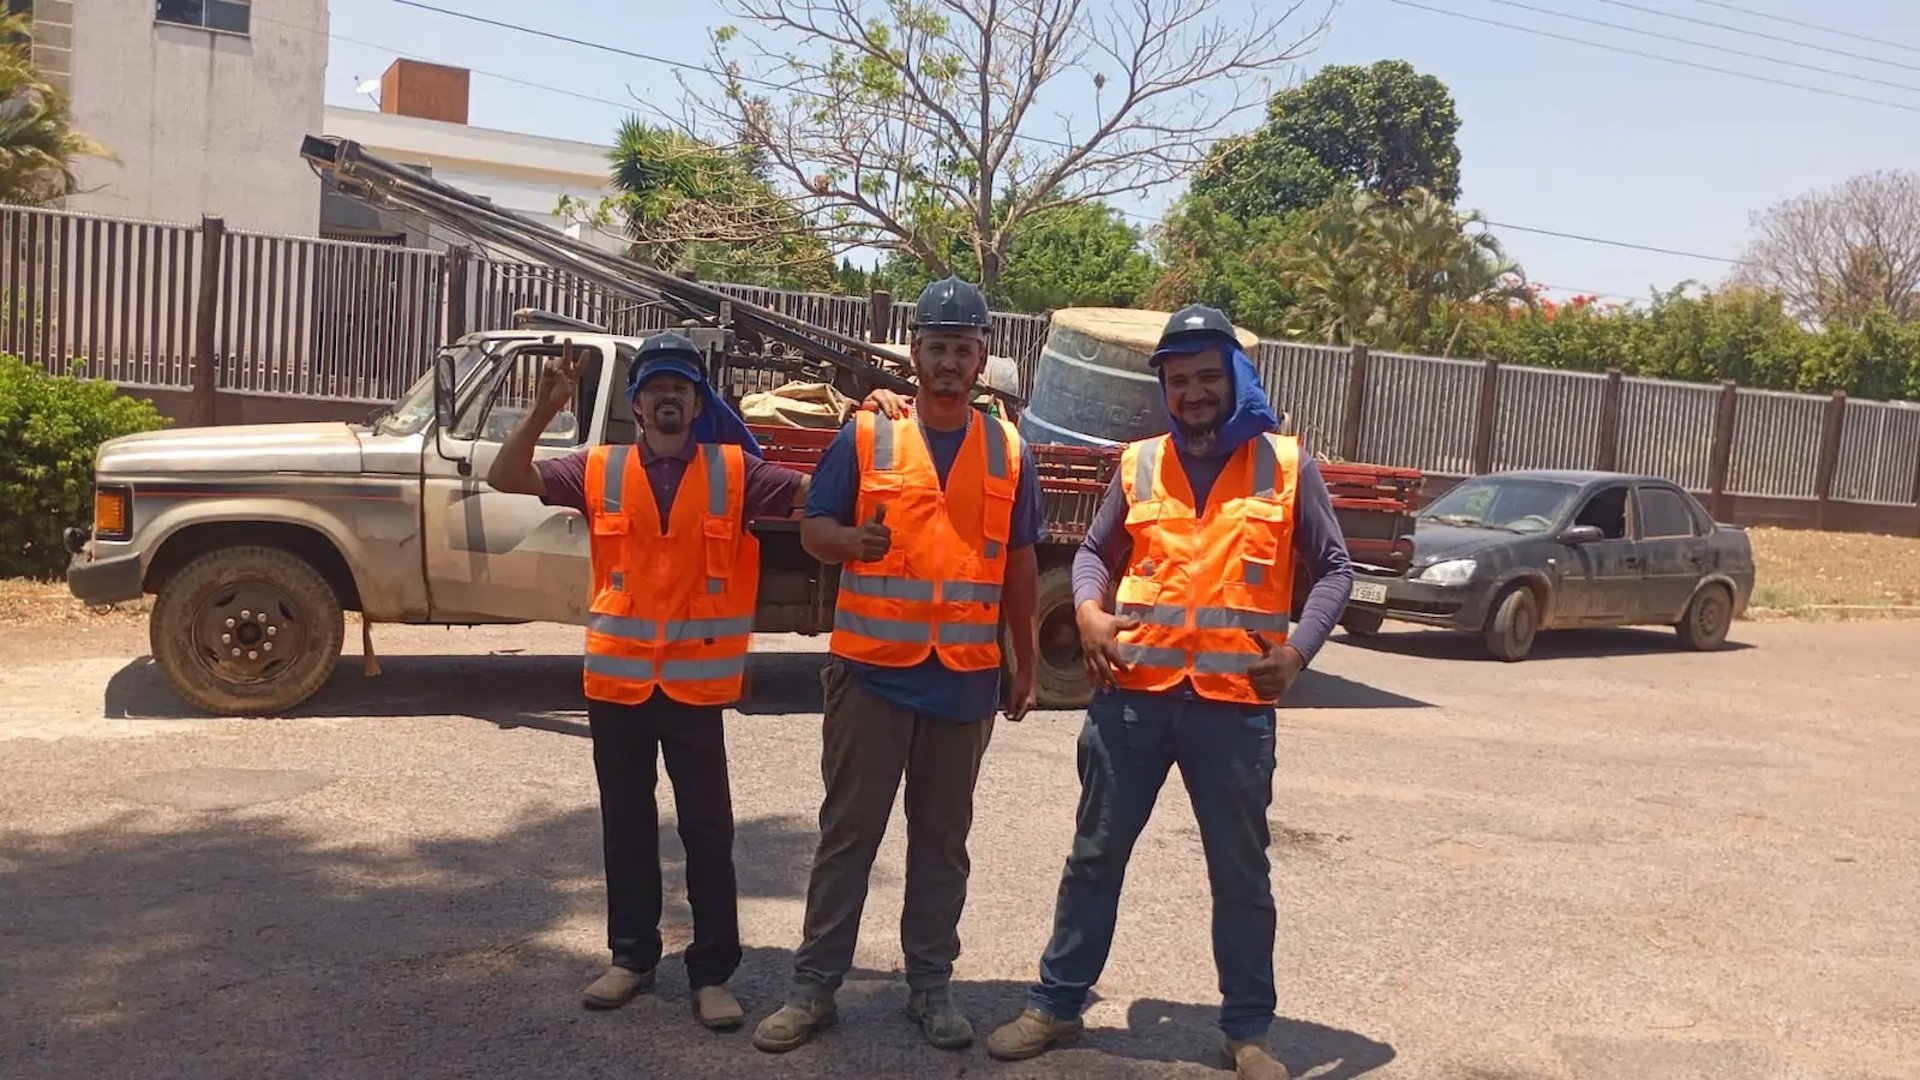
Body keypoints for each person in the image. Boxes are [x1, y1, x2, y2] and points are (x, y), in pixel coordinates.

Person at [983, 305, 1355, 1080]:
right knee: (1095, 857)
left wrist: (1295, 654)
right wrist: (1088, 611)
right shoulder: (1140, 463)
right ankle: (1055, 1003)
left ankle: (1248, 1029)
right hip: (1134, 698)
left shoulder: (1287, 466)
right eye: (1178, 380)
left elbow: (1337, 570)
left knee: (1241, 874)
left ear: (1234, 379)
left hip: (1233, 709)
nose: (1192, 392)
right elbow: (1092, 552)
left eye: (1206, 377)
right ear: (1165, 388)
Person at [752, 277, 1044, 1054]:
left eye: (964, 347)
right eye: (937, 346)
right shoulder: (866, 436)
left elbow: (1019, 565)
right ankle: (813, 991)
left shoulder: (1010, 451)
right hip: (872, 673)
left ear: (983, 358)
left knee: (942, 843)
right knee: (848, 836)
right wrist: (847, 543)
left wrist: (1026, 660)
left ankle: (931, 989)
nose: (950, 360)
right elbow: (814, 526)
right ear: (913, 355)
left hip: (963, 678)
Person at [486, 331, 810, 1030]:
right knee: (626, 828)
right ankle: (631, 959)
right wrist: (543, 410)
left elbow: (818, 495)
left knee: (707, 831)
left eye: (681, 387)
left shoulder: (736, 473)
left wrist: (873, 430)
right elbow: (505, 478)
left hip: (695, 691)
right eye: (656, 386)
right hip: (620, 688)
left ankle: (713, 973)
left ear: (698, 403)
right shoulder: (596, 468)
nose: (668, 396)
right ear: (637, 404)